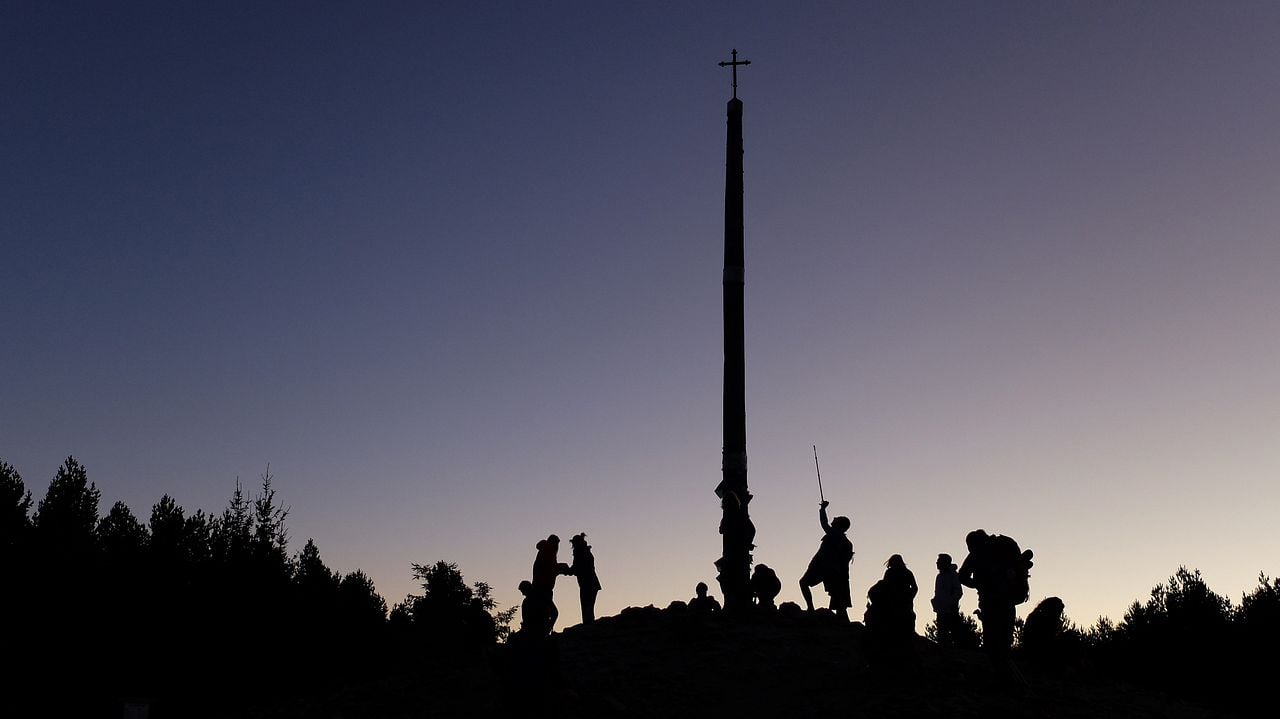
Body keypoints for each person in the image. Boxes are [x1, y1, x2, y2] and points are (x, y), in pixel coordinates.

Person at [958, 529, 1033, 672]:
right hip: (1008, 600)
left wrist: (977, 584)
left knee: (992, 641)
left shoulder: (976, 553)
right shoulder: (1004, 545)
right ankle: (1008, 674)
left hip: (990, 602)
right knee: (1005, 640)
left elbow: (962, 576)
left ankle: (999, 674)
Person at [798, 500, 854, 620]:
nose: (834, 518)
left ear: (840, 525)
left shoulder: (835, 534)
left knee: (804, 583)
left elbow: (824, 523)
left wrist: (823, 509)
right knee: (837, 595)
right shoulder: (845, 541)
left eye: (837, 519)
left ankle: (811, 608)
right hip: (832, 570)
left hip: (823, 567)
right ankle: (842, 618)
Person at [531, 534, 573, 633]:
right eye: (557, 544)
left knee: (547, 613)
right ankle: (545, 633)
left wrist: (562, 568)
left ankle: (544, 632)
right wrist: (564, 568)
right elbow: (550, 569)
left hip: (542, 588)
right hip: (543, 589)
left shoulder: (546, 551)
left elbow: (551, 568)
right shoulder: (548, 552)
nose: (558, 547)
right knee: (551, 613)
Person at [931, 553, 963, 646]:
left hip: (950, 611)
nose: (936, 563)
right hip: (941, 611)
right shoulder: (939, 577)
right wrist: (936, 602)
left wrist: (951, 603)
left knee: (956, 635)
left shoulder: (953, 575)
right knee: (942, 636)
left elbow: (958, 592)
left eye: (939, 561)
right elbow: (938, 593)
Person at [569, 533, 601, 625]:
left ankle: (588, 629)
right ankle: (590, 627)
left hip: (587, 584)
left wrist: (563, 569)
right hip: (592, 584)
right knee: (589, 609)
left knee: (587, 608)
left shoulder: (580, 553)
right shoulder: (586, 552)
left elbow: (576, 569)